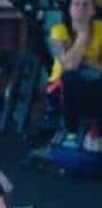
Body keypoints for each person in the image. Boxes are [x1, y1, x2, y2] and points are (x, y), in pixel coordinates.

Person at [48, 0, 102, 149]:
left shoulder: (100, 29)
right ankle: (70, 132)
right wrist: (83, 35)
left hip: (93, 83)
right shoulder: (58, 30)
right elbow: (69, 66)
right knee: (71, 77)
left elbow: (74, 61)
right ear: (70, 9)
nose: (81, 9)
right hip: (61, 87)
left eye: (86, 5)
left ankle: (97, 134)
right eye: (76, 4)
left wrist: (83, 61)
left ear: (93, 10)